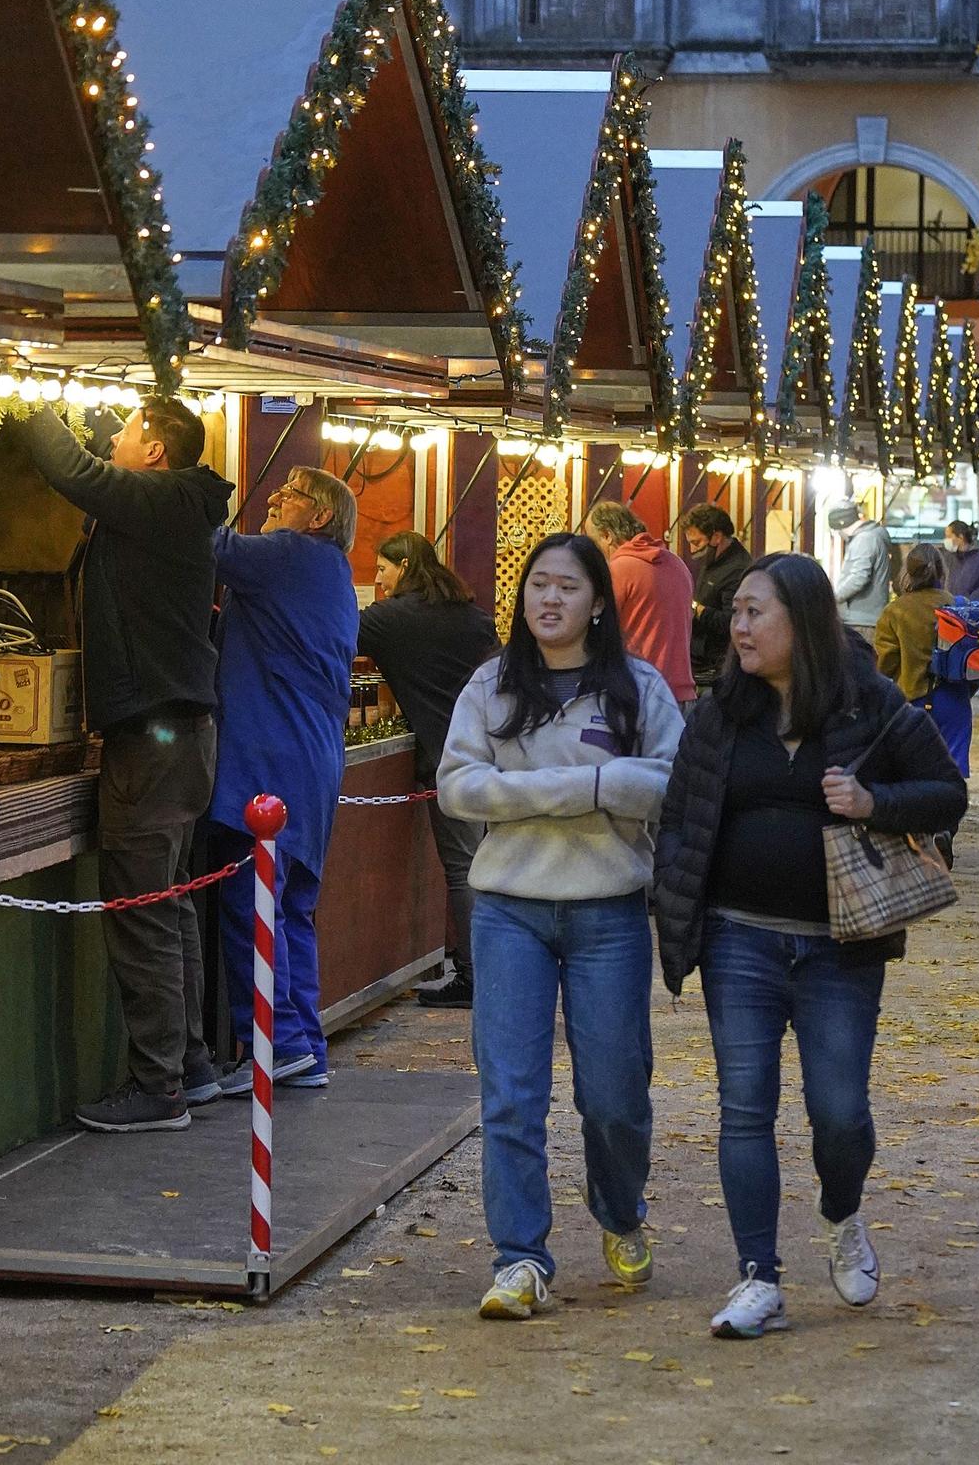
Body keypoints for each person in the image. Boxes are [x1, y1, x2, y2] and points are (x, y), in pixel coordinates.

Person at [651, 553, 966, 1340]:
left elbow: (946, 793)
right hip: (739, 941)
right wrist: (679, 921)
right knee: (743, 1111)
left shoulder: (869, 704)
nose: (740, 625)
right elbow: (681, 823)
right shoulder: (721, 714)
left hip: (840, 947)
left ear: (804, 620)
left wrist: (871, 801)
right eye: (739, 613)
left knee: (839, 1114)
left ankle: (841, 1211)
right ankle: (758, 1277)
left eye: (757, 612)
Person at [438, 533, 685, 1320]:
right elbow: (457, 787)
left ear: (597, 605)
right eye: (537, 586)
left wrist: (536, 786)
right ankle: (519, 1257)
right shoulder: (490, 685)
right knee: (510, 1094)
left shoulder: (637, 688)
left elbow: (668, 783)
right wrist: (593, 787)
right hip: (507, 909)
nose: (549, 600)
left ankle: (619, 1210)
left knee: (612, 1093)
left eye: (567, 588)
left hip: (608, 912)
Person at [21, 398, 231, 1132]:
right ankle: (192, 1069)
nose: (115, 436)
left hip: (155, 739)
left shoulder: (168, 498)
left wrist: (31, 397)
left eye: (129, 428)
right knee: (168, 907)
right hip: (174, 734)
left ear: (155, 452)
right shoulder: (171, 506)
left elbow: (69, 468)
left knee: (144, 913)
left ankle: (158, 1089)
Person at [209, 466, 359, 1093]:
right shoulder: (334, 575)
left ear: (318, 517)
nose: (272, 501)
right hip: (313, 761)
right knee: (291, 909)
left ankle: (278, 1045)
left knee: (252, 906)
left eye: (289, 496)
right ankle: (303, 1046)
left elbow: (206, 545)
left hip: (268, 763)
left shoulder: (292, 555)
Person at [357, 531, 499, 1008]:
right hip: (488, 752)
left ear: (402, 567)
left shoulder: (385, 621)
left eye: (381, 569)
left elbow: (335, 641)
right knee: (483, 864)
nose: (377, 580)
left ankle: (478, 979)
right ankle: (491, 970)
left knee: (463, 869)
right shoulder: (474, 617)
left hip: (443, 757)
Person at [875, 543, 975, 777]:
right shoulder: (959, 606)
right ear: (941, 572)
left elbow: (884, 665)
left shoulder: (896, 611)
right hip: (956, 700)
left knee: (912, 770)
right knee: (952, 772)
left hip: (912, 701)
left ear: (907, 573)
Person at [585, 500, 696, 708]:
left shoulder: (619, 569)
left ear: (607, 535)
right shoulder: (677, 564)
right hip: (681, 692)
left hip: (638, 690)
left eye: (593, 541)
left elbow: (597, 630)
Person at [681, 504, 752, 687]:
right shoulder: (712, 560)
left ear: (717, 537)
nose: (691, 550)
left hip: (716, 670)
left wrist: (696, 609)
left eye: (697, 543)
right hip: (698, 662)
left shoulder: (738, 568)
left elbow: (732, 621)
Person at [827, 501, 892, 642]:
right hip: (866, 619)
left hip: (861, 621)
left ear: (841, 524)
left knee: (858, 662)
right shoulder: (871, 536)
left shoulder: (864, 539)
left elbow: (858, 577)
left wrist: (832, 597)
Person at [942, 519, 979, 605]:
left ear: (960, 537)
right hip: (949, 610)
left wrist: (970, 600)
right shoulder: (948, 557)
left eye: (949, 536)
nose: (946, 540)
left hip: (973, 610)